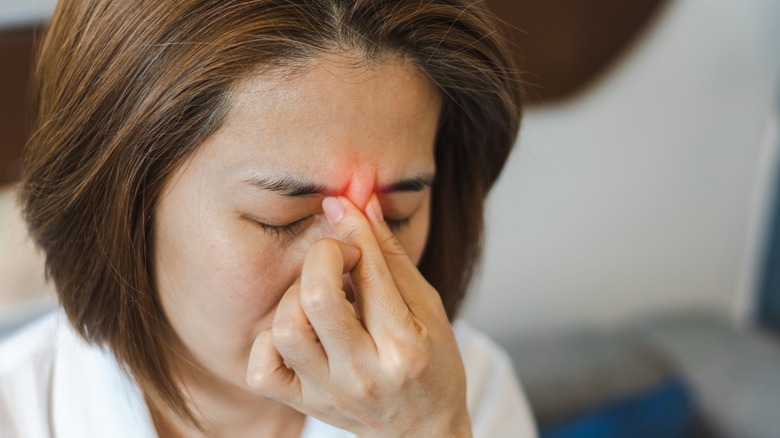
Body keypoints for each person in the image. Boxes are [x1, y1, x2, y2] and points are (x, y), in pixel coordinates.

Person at [0, 0, 536, 436]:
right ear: (120, 206)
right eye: (280, 218)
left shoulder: (465, 391)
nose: (344, 280)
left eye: (397, 213)